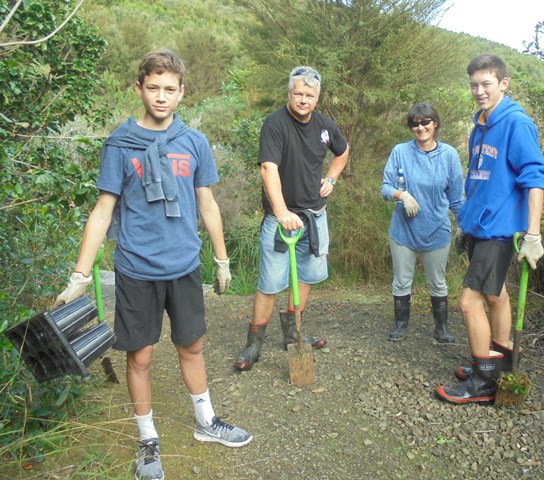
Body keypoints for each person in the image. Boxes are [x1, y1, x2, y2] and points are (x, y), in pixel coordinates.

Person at [53, 49, 252, 480]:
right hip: (136, 268)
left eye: (169, 89)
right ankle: (147, 441)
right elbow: (103, 210)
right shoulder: (119, 145)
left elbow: (208, 205)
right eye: (153, 87)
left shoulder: (194, 143)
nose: (161, 96)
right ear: (139, 89)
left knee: (192, 346)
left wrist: (222, 260)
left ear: (182, 93)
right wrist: (80, 274)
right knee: (140, 355)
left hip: (184, 266)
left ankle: (205, 422)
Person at [435, 54, 544, 404]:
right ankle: (499, 364)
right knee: (496, 295)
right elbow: (478, 178)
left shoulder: (516, 123)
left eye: (486, 83)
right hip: (479, 226)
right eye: (474, 85)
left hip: (499, 231)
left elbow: (535, 177)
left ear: (503, 83)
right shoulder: (480, 125)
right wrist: (466, 222)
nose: (479, 91)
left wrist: (533, 234)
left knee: (469, 303)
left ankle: (483, 380)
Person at [235, 66, 349, 371]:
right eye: (298, 93)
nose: (303, 100)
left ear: (317, 97)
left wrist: (331, 178)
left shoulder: (324, 125)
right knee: (270, 282)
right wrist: (282, 211)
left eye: (309, 95)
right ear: (289, 93)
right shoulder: (275, 124)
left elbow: (342, 151)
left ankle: (292, 333)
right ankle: (253, 345)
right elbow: (268, 168)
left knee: (307, 277)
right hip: (281, 220)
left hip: (314, 215)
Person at [381, 102, 464, 344]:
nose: (420, 128)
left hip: (437, 229)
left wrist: (465, 225)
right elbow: (385, 187)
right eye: (414, 124)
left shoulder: (449, 155)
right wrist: (401, 195)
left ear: (434, 123)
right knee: (401, 280)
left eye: (425, 122)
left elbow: (457, 198)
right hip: (403, 230)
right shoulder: (400, 152)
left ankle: (441, 329)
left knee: (438, 282)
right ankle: (400, 325)